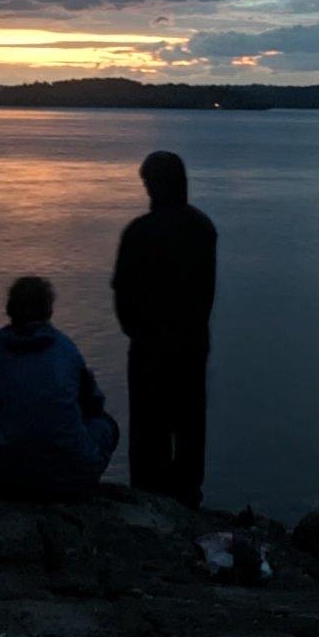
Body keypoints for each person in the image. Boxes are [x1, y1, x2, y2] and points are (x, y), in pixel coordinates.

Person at [111, 150, 216, 507]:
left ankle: (148, 498)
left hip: (149, 347)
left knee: (147, 426)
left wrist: (137, 330)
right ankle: (188, 497)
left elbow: (122, 293)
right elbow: (207, 292)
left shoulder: (140, 232)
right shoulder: (203, 227)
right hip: (192, 342)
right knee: (189, 424)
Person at [0, 276, 119, 500]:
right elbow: (93, 405)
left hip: (8, 477)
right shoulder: (66, 350)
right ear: (49, 310)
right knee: (108, 425)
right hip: (70, 478)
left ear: (9, 310)